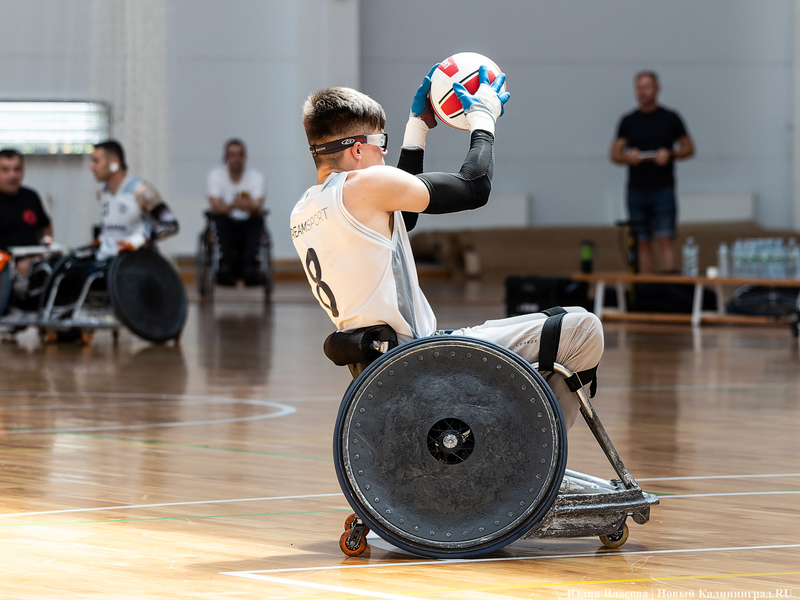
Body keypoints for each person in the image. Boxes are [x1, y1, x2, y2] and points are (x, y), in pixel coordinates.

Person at [291, 67, 604, 429]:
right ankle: (539, 466)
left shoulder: (307, 208)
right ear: (359, 149)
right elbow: (474, 187)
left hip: (382, 367)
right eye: (382, 144)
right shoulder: (365, 183)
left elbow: (402, 219)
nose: (385, 154)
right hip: (420, 360)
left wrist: (417, 129)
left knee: (554, 321)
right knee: (582, 329)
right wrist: (483, 118)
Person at [610, 70, 694, 273]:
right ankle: (647, 290)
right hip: (637, 188)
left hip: (663, 188)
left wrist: (670, 155)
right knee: (642, 240)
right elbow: (615, 153)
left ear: (657, 89)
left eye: (646, 87)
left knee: (665, 238)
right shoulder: (629, 120)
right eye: (639, 88)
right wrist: (628, 157)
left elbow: (688, 147)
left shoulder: (670, 118)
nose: (642, 93)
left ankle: (670, 289)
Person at [90, 139, 179, 260]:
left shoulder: (141, 191)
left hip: (135, 262)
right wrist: (101, 239)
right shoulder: (101, 192)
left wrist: (140, 239)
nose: (92, 167)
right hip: (107, 260)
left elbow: (171, 224)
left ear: (114, 162)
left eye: (96, 161)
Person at [206, 138, 265, 285]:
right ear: (226, 157)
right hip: (226, 221)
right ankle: (225, 265)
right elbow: (215, 206)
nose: (236, 159)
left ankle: (250, 266)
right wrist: (234, 205)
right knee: (218, 219)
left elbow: (258, 206)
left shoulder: (256, 177)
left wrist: (245, 206)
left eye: (239, 155)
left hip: (249, 221)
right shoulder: (215, 176)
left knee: (257, 219)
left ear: (244, 157)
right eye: (232, 155)